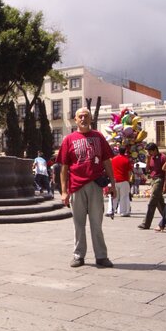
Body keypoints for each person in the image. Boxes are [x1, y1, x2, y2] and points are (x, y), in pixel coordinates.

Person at [57, 107, 116, 268]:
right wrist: (64, 191)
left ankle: (101, 256)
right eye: (80, 117)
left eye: (86, 116)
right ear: (75, 120)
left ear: (91, 119)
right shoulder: (69, 139)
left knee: (97, 223)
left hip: (96, 185)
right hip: (76, 186)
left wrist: (113, 183)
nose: (83, 119)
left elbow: (106, 161)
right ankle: (78, 255)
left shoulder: (99, 137)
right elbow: (63, 167)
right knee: (78, 224)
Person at [138, 143, 166, 230]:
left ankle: (146, 223)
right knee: (160, 203)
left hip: (159, 180)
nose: (149, 153)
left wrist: (165, 184)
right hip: (153, 180)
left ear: (155, 149)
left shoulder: (163, 157)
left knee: (152, 202)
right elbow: (147, 170)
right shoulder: (150, 158)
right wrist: (147, 159)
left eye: (150, 151)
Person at [106, 146, 132, 217]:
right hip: (124, 180)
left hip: (114, 180)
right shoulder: (126, 160)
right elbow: (129, 171)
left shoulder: (113, 159)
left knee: (113, 196)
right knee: (124, 196)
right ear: (125, 151)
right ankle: (123, 212)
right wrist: (128, 179)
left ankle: (110, 211)